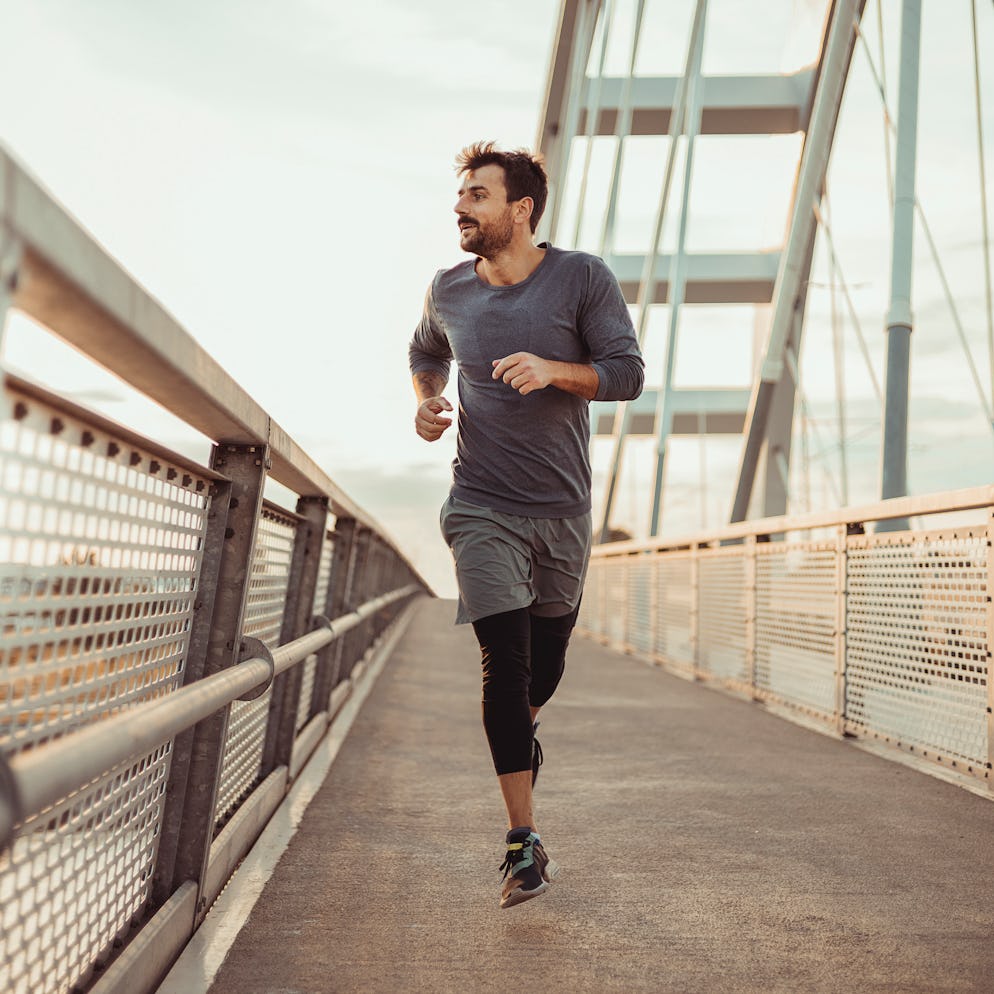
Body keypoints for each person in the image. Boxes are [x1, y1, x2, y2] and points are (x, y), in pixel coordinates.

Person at [408, 141, 644, 909]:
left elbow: (627, 373)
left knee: (541, 674)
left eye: (478, 195)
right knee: (502, 667)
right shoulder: (449, 290)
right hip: (480, 503)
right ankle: (523, 842)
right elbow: (423, 350)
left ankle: (519, 738)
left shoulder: (581, 278)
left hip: (563, 513)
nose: (461, 208)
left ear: (522, 209)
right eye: (461, 195)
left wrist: (555, 371)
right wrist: (427, 399)